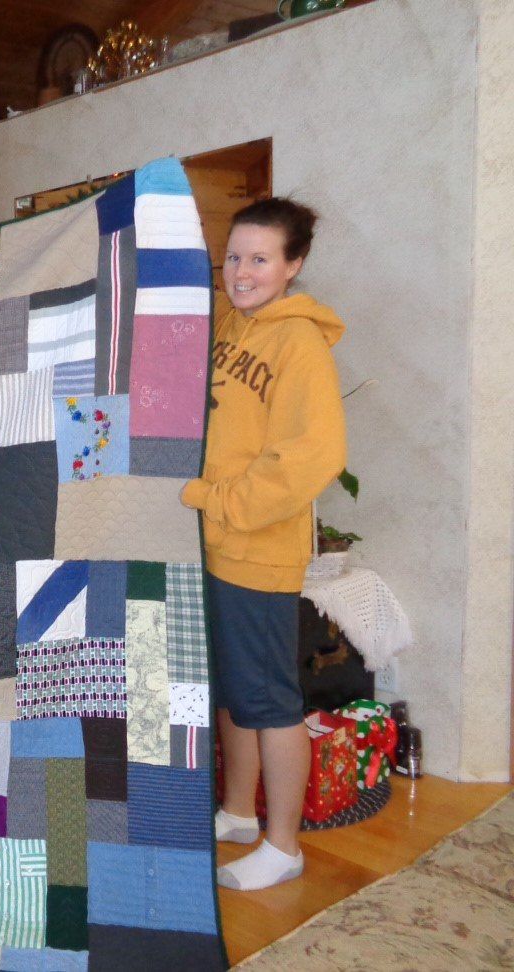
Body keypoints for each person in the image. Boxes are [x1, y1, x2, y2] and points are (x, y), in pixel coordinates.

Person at [180, 198, 346, 891]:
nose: (241, 272)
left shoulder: (298, 342)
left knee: (269, 699)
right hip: (214, 544)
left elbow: (315, 455)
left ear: (292, 265)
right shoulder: (228, 322)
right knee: (231, 689)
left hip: (257, 547)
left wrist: (221, 502)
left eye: (259, 259)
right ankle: (239, 813)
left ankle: (284, 845)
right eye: (233, 257)